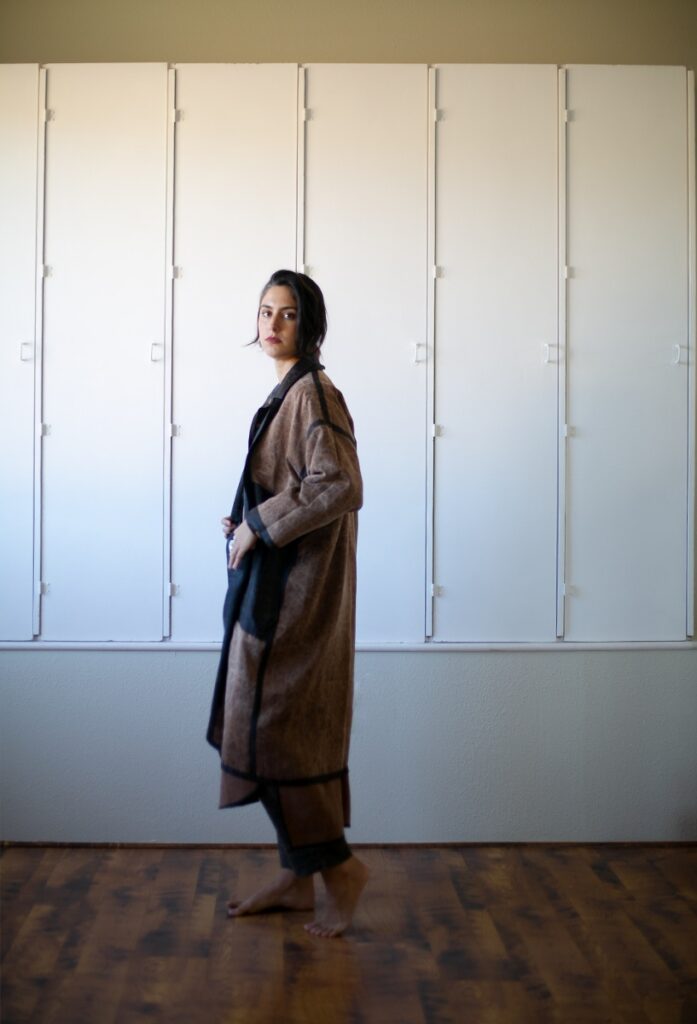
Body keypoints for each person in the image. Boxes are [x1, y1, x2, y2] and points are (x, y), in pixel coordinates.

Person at [207, 269, 368, 938]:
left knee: (277, 735)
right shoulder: (290, 394)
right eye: (264, 311)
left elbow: (338, 484)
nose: (271, 324)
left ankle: (339, 872)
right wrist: (245, 519)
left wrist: (259, 525)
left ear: (311, 326)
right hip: (272, 592)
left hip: (295, 604)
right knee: (268, 732)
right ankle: (299, 878)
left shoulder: (314, 394)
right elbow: (298, 484)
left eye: (288, 314)